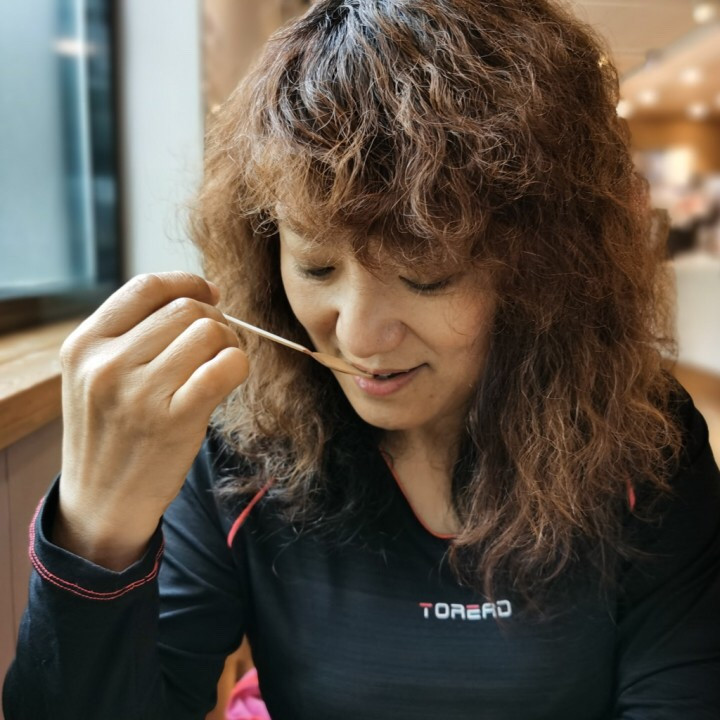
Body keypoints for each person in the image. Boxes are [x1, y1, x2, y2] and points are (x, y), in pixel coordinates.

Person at [4, 1, 720, 718]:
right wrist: (95, 529)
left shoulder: (644, 443)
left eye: (427, 276)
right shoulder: (241, 448)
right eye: (316, 268)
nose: (360, 337)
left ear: (544, 272)